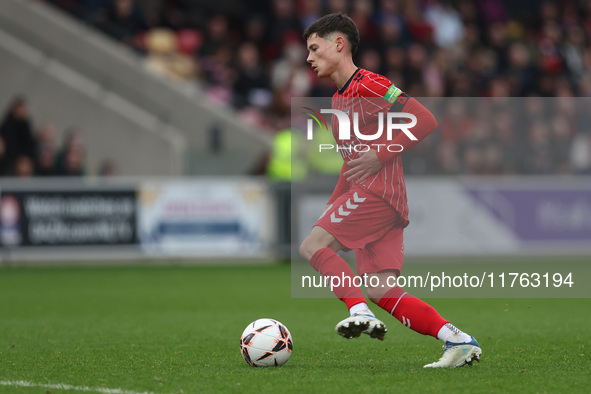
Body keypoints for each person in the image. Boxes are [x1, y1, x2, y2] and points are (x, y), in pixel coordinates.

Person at [299, 13, 481, 368]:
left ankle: (358, 311)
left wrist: (380, 155)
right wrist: (334, 202)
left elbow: (425, 119)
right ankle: (458, 340)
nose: (309, 57)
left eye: (314, 48)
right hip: (380, 199)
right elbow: (351, 162)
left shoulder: (369, 83)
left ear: (339, 44)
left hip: (377, 194)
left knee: (311, 246)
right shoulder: (338, 100)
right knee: (382, 290)